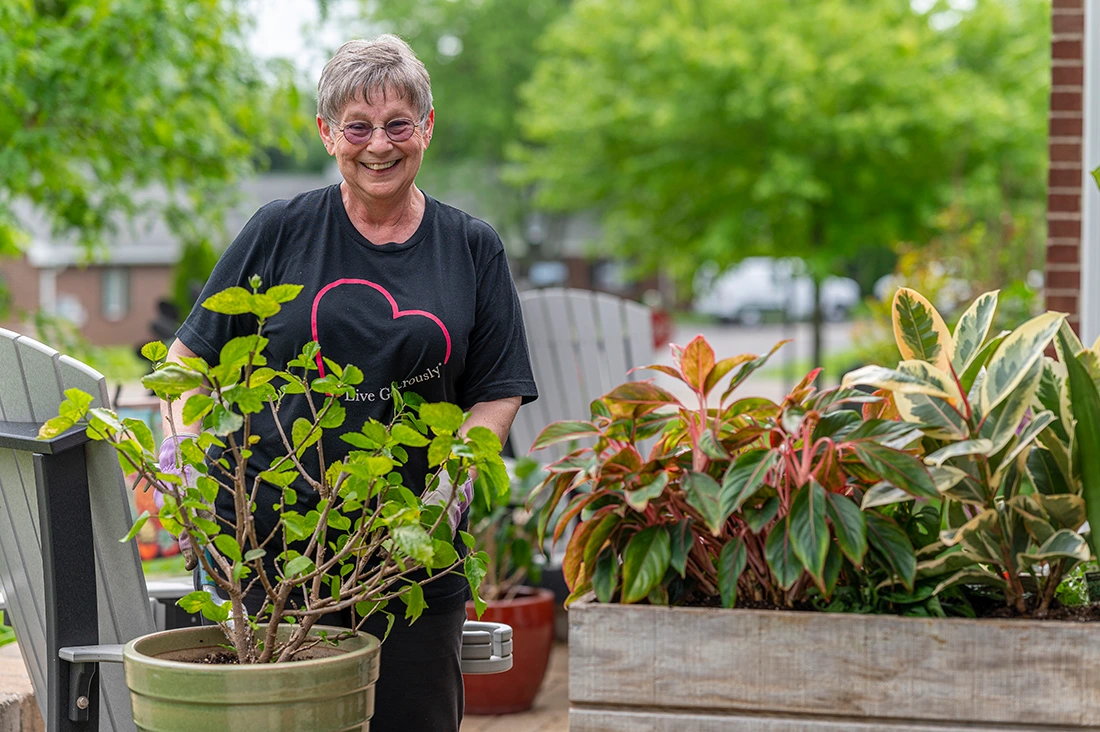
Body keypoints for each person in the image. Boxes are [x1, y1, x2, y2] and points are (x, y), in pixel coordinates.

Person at [160, 34, 538, 731]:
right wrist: (182, 460)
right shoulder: (280, 231)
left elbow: (497, 389)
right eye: (357, 127)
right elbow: (187, 362)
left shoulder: (470, 247)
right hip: (273, 554)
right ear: (327, 133)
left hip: (409, 553)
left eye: (398, 124)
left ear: (427, 127)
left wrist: (448, 491)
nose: (379, 145)